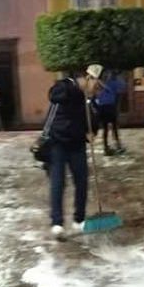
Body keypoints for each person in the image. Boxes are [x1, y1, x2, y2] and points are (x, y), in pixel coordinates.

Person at [45, 66, 98, 239]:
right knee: (58, 182)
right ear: (87, 79)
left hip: (77, 144)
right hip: (57, 143)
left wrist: (93, 130)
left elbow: (91, 117)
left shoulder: (87, 97)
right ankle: (57, 223)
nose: (96, 88)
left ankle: (79, 219)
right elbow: (54, 96)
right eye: (95, 83)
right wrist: (77, 90)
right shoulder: (64, 86)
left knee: (82, 181)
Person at [93, 69, 127, 155]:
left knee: (114, 127)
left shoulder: (112, 83)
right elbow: (94, 92)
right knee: (105, 128)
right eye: (105, 74)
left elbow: (122, 87)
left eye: (108, 74)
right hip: (102, 107)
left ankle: (118, 145)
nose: (107, 75)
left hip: (110, 106)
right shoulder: (98, 83)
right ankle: (106, 147)